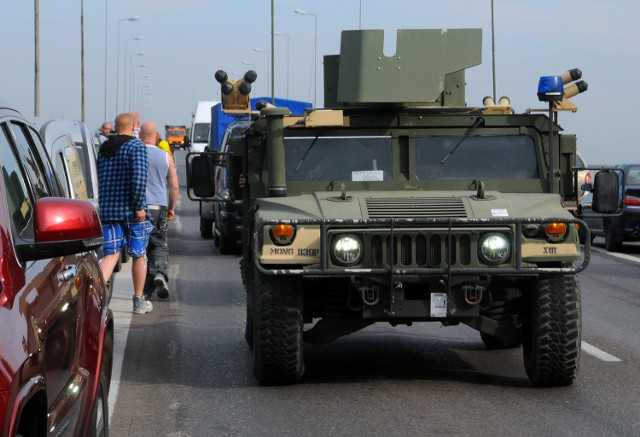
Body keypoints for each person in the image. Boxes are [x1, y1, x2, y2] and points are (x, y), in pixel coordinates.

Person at [97, 112, 154, 314]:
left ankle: (94, 299)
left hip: (108, 210)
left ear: (115, 126)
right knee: (139, 254)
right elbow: (138, 179)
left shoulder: (104, 148)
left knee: (110, 255)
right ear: (133, 127)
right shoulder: (136, 147)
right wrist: (139, 206)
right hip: (132, 211)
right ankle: (138, 300)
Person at [139, 121, 179, 299]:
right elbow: (174, 187)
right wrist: (171, 208)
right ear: (156, 136)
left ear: (140, 136)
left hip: (139, 207)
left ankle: (144, 292)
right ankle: (160, 273)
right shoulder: (166, 156)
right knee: (159, 243)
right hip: (159, 207)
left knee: (142, 248)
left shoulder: (135, 154)